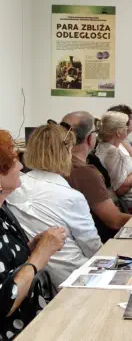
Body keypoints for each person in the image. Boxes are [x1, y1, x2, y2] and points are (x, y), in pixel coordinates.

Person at [7, 124, 102, 288]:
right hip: (74, 275)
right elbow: (93, 247)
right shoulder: (71, 197)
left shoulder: (13, 187)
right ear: (66, 153)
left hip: (32, 276)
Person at [0, 130, 66, 339]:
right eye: (13, 162)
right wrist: (39, 256)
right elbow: (4, 304)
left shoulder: (3, 210)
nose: (21, 166)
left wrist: (32, 248)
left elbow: (7, 264)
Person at [62, 111, 132, 242]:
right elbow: (115, 221)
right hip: (99, 240)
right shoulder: (85, 173)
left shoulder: (58, 164)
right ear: (90, 138)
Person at [95, 112, 132, 213]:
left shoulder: (112, 145)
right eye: (125, 126)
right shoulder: (112, 152)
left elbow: (125, 173)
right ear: (118, 133)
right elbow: (120, 189)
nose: (127, 128)